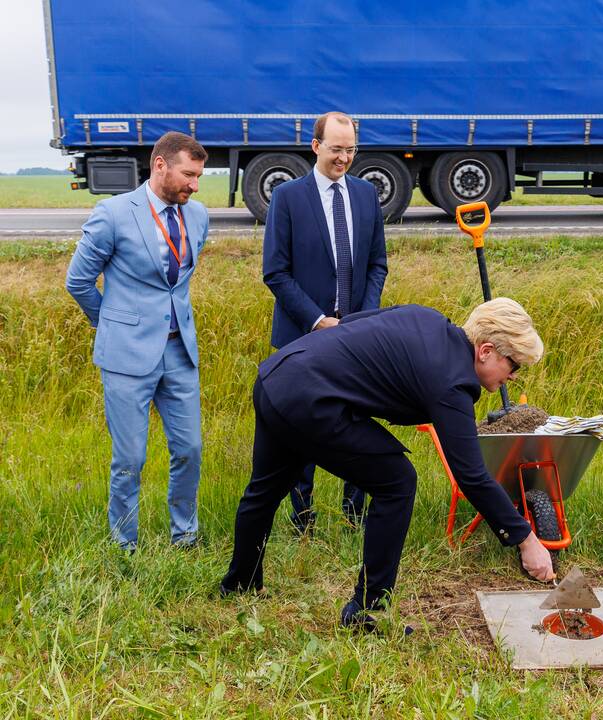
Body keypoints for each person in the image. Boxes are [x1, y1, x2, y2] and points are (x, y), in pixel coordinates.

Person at [220, 298, 556, 629]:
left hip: (278, 375)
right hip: (310, 400)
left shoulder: (426, 318)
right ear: (486, 351)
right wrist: (526, 539)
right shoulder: (452, 382)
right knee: (397, 482)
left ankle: (240, 583)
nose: (513, 377)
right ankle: (368, 611)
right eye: (515, 366)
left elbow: (351, 323)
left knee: (266, 488)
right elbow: (471, 476)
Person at [65, 132, 209, 550]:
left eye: (199, 177)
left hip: (179, 351)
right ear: (159, 165)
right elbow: (78, 281)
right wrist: (112, 323)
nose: (194, 185)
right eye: (188, 174)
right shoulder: (112, 213)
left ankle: (185, 536)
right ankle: (124, 545)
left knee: (190, 450)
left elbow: (177, 283)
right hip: (126, 355)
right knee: (129, 459)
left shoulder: (197, 215)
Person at [262, 110, 388, 534]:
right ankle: (302, 519)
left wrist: (361, 319)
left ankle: (354, 516)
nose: (344, 158)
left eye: (350, 150)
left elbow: (377, 265)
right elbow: (275, 272)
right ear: (315, 146)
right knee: (302, 427)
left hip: (355, 337)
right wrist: (318, 321)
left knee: (356, 422)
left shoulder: (367, 195)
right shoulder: (288, 197)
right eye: (336, 149)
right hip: (303, 335)